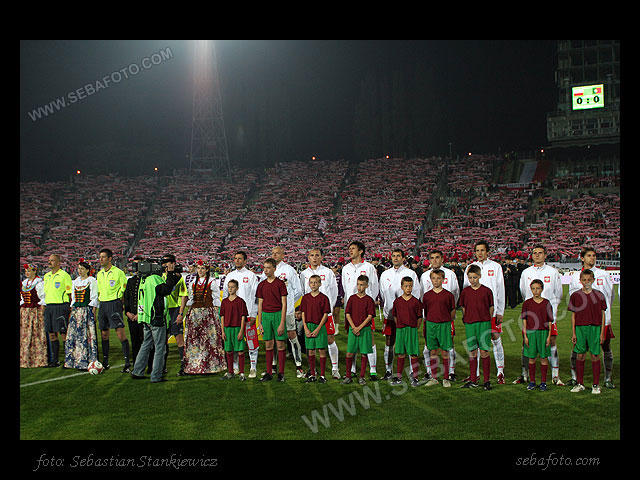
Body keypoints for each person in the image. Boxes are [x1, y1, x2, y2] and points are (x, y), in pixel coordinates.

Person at [568, 247, 616, 388]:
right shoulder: (576, 276)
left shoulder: (603, 275)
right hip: (582, 321)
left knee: (605, 347)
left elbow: (609, 297)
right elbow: (574, 299)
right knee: (577, 349)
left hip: (600, 320)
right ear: (582, 258)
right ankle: (575, 378)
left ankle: (607, 378)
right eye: (589, 255)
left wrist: (605, 314)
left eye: (594, 255)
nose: (592, 258)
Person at [518, 245, 564, 386]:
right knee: (526, 344)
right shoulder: (526, 272)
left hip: (547, 317)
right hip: (530, 318)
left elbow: (559, 294)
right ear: (532, 255)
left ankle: (555, 376)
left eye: (540, 253)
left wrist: (553, 313)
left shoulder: (553, 272)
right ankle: (525, 375)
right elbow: (524, 293)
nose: (537, 255)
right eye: (535, 253)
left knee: (551, 343)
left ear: (545, 255)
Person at [130, 259, 181, 383]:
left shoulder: (144, 279)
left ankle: (137, 371)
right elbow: (166, 290)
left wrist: (173, 275)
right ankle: (156, 376)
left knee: (146, 344)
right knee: (160, 348)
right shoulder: (154, 279)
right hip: (155, 317)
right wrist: (170, 273)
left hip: (146, 317)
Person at [463, 241, 506, 384]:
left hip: (491, 312)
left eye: (482, 250)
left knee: (494, 338)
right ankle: (475, 374)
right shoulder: (470, 267)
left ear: (487, 252)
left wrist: (500, 311)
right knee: (476, 344)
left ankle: (500, 371)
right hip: (474, 314)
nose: (480, 253)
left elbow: (500, 290)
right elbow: (465, 291)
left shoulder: (496, 267)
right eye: (477, 250)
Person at [379, 248, 421, 381]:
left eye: (398, 256)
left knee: (409, 344)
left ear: (403, 258)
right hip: (390, 315)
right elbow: (382, 293)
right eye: (393, 256)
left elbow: (416, 293)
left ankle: (411, 373)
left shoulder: (410, 273)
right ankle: (388, 370)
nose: (395, 258)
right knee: (389, 342)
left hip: (407, 317)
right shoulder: (385, 274)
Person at [262, 246, 304, 378]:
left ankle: (299, 365)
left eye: (277, 253)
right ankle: (273, 365)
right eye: (273, 253)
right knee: (273, 337)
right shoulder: (266, 271)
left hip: (287, 311)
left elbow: (298, 291)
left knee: (292, 335)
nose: (274, 255)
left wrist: (289, 304)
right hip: (271, 311)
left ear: (283, 255)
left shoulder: (289, 270)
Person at [300, 248, 341, 379]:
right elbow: (303, 292)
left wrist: (329, 309)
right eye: (312, 255)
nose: (314, 258)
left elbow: (334, 292)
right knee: (310, 341)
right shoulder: (303, 273)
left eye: (317, 255)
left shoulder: (328, 272)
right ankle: (312, 370)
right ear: (308, 257)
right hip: (310, 314)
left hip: (324, 314)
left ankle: (335, 368)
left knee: (330, 340)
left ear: (321, 257)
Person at [342, 241, 380, 380]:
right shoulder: (346, 268)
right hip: (351, 309)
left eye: (353, 248)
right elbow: (345, 288)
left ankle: (373, 369)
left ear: (361, 251)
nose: (350, 251)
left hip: (365, 309)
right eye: (349, 248)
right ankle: (352, 369)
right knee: (353, 337)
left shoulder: (369, 267)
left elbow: (375, 286)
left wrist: (368, 302)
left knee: (370, 339)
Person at [420, 249, 460, 381]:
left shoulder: (450, 274)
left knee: (448, 347)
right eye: (432, 258)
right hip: (430, 318)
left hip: (445, 317)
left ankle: (450, 372)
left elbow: (455, 294)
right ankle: (430, 372)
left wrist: (450, 316)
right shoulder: (424, 275)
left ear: (442, 259)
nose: (435, 260)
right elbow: (422, 298)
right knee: (430, 348)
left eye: (437, 257)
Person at [183, 260, 226, 375]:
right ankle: (196, 365)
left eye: (202, 268)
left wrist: (215, 313)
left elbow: (216, 298)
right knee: (195, 339)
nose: (200, 270)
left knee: (209, 340)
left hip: (208, 314)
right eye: (198, 268)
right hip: (195, 313)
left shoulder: (211, 282)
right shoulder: (193, 281)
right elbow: (191, 297)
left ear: (207, 270)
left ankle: (210, 365)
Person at [568, 269, 607, 394]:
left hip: (594, 328)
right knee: (580, 355)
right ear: (580, 281)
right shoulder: (575, 296)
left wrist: (602, 333)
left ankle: (596, 384)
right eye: (584, 280)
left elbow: (603, 315)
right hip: (580, 328)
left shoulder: (599, 295)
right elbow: (573, 315)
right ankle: (580, 383)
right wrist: (573, 332)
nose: (587, 282)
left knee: (595, 355)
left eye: (589, 280)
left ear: (593, 280)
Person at [223, 251, 260, 378]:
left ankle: (253, 367)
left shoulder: (251, 276)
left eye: (240, 259)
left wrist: (254, 313)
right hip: (233, 318)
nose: (237, 261)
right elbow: (225, 297)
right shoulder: (229, 276)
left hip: (248, 315)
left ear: (245, 261)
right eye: (235, 258)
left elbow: (256, 296)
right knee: (233, 343)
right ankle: (235, 366)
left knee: (251, 342)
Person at [458, 265, 494, 390]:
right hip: (470, 323)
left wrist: (487, 320)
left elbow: (491, 307)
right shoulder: (465, 292)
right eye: (470, 278)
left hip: (483, 323)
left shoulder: (487, 291)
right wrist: (466, 318)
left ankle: (487, 380)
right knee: (472, 351)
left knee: (484, 351)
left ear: (479, 276)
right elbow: (463, 307)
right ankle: (473, 379)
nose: (472, 280)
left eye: (474, 277)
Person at [96, 248, 130, 372]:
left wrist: (118, 299)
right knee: (104, 334)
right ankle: (105, 361)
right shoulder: (99, 274)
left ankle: (127, 363)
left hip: (114, 304)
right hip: (103, 304)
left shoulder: (118, 272)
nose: (101, 259)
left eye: (103, 257)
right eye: (100, 257)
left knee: (120, 333)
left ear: (110, 258)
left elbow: (124, 287)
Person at [256, 258, 288, 382]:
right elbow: (259, 304)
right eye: (264, 267)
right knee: (268, 345)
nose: (266, 270)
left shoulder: (280, 284)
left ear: (274, 268)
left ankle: (281, 373)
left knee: (280, 344)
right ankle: (269, 372)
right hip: (266, 315)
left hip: (278, 314)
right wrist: (260, 322)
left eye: (268, 267)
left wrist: (282, 323)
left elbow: (284, 304)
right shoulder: (261, 285)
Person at [64, 259, 99, 370]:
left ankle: (86, 360)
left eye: (82, 269)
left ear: (87, 270)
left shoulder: (91, 281)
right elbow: (73, 299)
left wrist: (93, 312)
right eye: (78, 269)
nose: (80, 271)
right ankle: (73, 359)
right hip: (76, 311)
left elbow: (94, 298)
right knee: (74, 335)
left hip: (85, 310)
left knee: (85, 334)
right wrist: (72, 310)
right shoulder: (75, 281)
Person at [389, 276, 423, 387]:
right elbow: (395, 316)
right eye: (406, 286)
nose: (408, 288)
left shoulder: (416, 302)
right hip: (400, 329)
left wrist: (414, 328)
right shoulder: (398, 302)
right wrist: (400, 326)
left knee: (413, 354)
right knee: (401, 354)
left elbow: (419, 317)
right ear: (402, 287)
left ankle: (416, 378)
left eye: (410, 286)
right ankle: (399, 377)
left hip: (411, 329)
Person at [520, 279, 554, 391]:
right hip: (531, 333)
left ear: (542, 289)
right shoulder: (527, 303)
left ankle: (543, 382)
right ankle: (532, 382)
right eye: (533, 289)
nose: (535, 291)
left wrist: (549, 336)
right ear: (531, 289)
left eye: (538, 288)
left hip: (543, 333)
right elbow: (524, 320)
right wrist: (525, 336)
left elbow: (550, 321)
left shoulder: (546, 303)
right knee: (531, 358)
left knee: (543, 358)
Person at [342, 275, 376, 385]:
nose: (359, 287)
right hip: (353, 329)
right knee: (349, 353)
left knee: (364, 353)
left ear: (366, 286)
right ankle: (348, 376)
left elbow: (370, 316)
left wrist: (359, 327)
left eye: (362, 285)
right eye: (358, 284)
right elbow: (347, 313)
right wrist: (353, 327)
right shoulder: (352, 298)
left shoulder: (369, 300)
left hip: (364, 329)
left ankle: (362, 376)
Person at [124, 256, 154, 374]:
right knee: (135, 342)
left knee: (147, 342)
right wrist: (128, 312)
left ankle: (151, 366)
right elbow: (127, 298)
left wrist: (139, 314)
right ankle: (137, 366)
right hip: (131, 317)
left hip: (143, 316)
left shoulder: (147, 280)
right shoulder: (131, 281)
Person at [42, 254, 73, 367]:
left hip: (61, 306)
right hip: (49, 306)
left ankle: (68, 359)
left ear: (59, 263)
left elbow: (70, 294)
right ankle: (55, 360)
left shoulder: (64, 276)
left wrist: (68, 309)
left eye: (52, 260)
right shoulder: (46, 276)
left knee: (63, 334)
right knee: (51, 334)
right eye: (49, 260)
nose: (49, 262)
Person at [161, 254, 189, 376]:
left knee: (178, 338)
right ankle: (162, 366)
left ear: (173, 263)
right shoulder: (160, 276)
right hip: (163, 310)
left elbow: (184, 295)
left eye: (168, 262)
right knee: (162, 339)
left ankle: (184, 365)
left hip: (174, 310)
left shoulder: (179, 278)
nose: (165, 264)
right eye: (164, 262)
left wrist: (180, 313)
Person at [300, 275, 331, 383]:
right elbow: (303, 313)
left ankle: (322, 375)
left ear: (320, 284)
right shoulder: (305, 298)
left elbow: (325, 314)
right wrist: (305, 327)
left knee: (321, 350)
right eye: (311, 282)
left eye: (316, 282)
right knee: (311, 351)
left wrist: (318, 329)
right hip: (308, 326)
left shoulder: (324, 298)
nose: (313, 284)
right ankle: (312, 374)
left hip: (320, 327)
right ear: (309, 284)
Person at [20, 263, 47, 368]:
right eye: (26, 271)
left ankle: (37, 359)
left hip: (35, 311)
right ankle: (25, 358)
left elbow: (42, 298)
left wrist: (41, 311)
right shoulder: (24, 283)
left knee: (36, 334)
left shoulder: (38, 283)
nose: (27, 273)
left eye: (29, 271)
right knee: (25, 335)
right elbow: (22, 298)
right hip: (25, 311)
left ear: (34, 271)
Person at [220, 279, 248, 381]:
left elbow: (243, 317)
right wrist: (223, 331)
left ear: (237, 288)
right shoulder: (224, 302)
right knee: (228, 351)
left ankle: (242, 373)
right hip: (227, 329)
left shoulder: (240, 302)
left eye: (232, 287)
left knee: (240, 351)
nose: (230, 289)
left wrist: (241, 331)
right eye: (229, 287)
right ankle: (230, 372)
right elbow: (222, 317)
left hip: (237, 328)